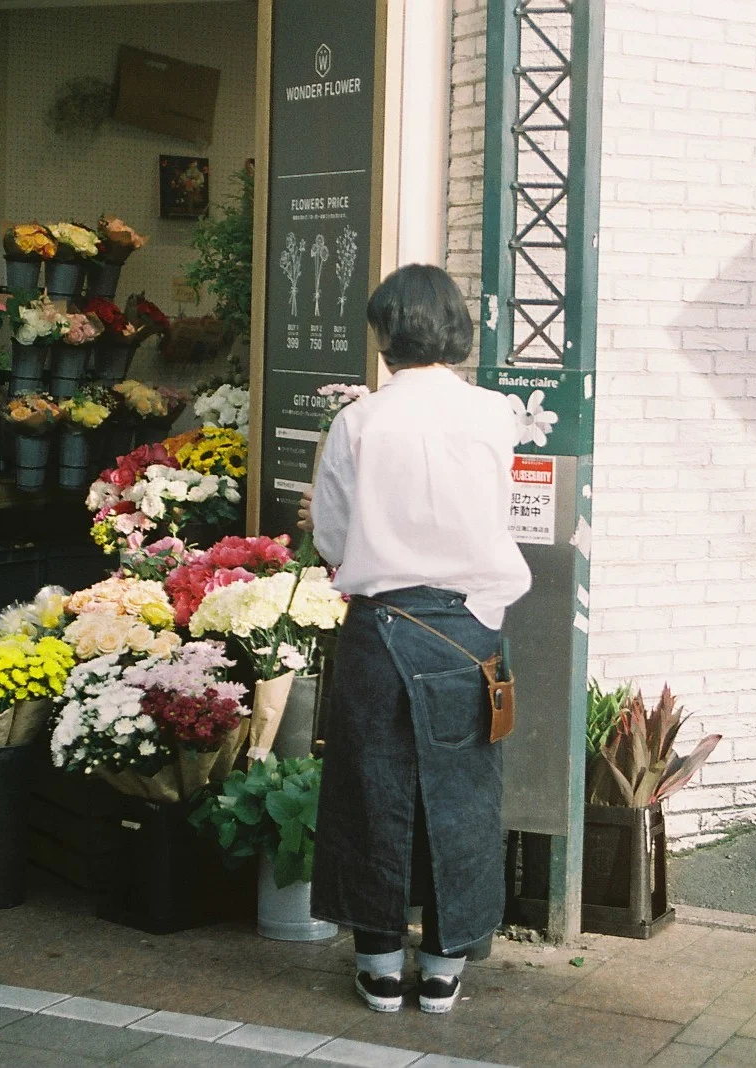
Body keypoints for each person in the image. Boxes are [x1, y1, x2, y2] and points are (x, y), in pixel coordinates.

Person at [300, 264, 531, 1014]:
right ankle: (442, 966)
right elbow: (503, 515)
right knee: (462, 800)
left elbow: (330, 533)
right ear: (457, 330)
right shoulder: (497, 415)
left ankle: (376, 962)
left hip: (379, 625)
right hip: (469, 630)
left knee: (371, 793)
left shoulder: (358, 420)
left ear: (383, 335)